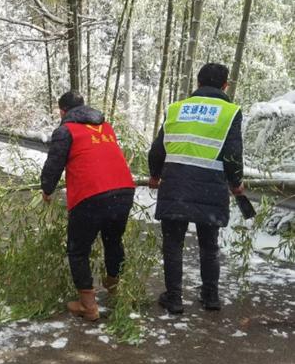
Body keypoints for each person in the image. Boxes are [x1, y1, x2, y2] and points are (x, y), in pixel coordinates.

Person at [148, 63, 244, 314]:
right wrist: (236, 184)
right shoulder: (230, 112)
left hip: (175, 185)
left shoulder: (176, 109)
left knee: (173, 244)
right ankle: (211, 296)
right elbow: (233, 154)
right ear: (225, 85)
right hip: (211, 187)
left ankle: (174, 297)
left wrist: (155, 176)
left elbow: (158, 149)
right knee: (209, 245)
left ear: (198, 83)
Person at [41, 91, 136, 321]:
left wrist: (47, 189)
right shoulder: (106, 126)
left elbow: (54, 164)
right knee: (113, 240)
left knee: (78, 249)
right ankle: (114, 288)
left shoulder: (66, 130)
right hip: (123, 191)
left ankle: (88, 306)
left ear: (63, 111)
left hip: (91, 196)